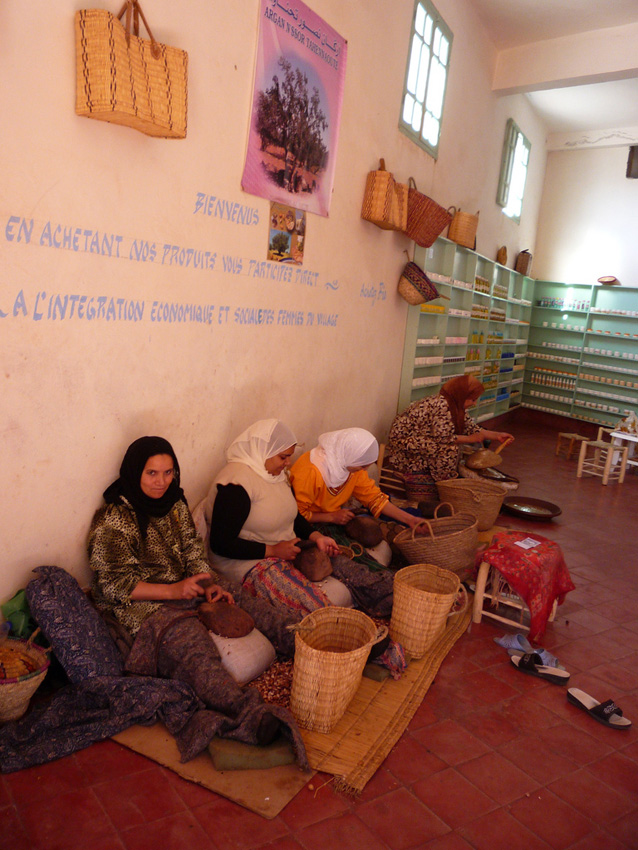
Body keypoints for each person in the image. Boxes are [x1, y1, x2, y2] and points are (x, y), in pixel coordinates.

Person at [88, 436, 307, 761]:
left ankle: (307, 642)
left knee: (240, 597)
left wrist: (206, 585)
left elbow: (193, 550)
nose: (161, 482)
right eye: (152, 473)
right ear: (135, 473)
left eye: (168, 472)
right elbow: (113, 585)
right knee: (191, 644)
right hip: (139, 605)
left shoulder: (174, 503)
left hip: (185, 585)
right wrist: (174, 592)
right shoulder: (115, 517)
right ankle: (245, 713)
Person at [205, 419, 345, 615]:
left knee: (343, 564)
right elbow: (221, 543)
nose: (288, 463)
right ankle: (340, 632)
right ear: (263, 451)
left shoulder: (277, 475)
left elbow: (292, 516)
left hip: (284, 548)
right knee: (316, 608)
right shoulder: (236, 485)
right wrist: (272, 550)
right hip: (248, 563)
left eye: (288, 457)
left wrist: (316, 537)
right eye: (283, 457)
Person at [386, 375, 514, 489]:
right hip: (403, 440)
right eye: (472, 400)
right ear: (462, 395)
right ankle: (444, 484)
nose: (474, 403)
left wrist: (497, 436)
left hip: (423, 437)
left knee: (457, 447)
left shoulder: (455, 405)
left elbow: (472, 428)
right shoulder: (442, 405)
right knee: (448, 449)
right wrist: (471, 439)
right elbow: (443, 438)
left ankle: (445, 480)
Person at [290, 427, 424, 530]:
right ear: (350, 456)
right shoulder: (311, 471)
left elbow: (374, 497)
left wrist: (409, 519)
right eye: (362, 466)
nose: (364, 470)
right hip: (308, 525)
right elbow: (297, 515)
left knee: (372, 528)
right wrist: (331, 517)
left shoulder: (349, 465)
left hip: (336, 515)